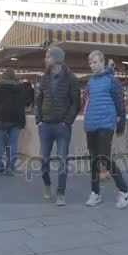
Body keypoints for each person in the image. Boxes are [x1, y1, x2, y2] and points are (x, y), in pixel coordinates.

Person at [84, 51, 128, 209]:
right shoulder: (90, 82)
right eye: (91, 63)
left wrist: (121, 124)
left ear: (103, 62)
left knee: (104, 158)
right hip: (91, 124)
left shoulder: (112, 81)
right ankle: (95, 193)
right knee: (94, 159)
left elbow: (120, 105)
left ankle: (125, 190)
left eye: (96, 62)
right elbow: (89, 102)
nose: (93, 65)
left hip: (106, 123)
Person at [35, 47, 80, 206]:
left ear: (57, 59)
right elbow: (39, 100)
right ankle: (47, 184)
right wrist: (38, 120)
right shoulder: (44, 78)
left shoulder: (71, 78)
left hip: (62, 126)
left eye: (48, 57)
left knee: (62, 160)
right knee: (43, 160)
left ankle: (61, 192)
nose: (45, 59)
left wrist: (67, 122)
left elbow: (76, 103)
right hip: (45, 125)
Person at [0, 68, 26, 176]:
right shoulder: (21, 88)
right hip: (17, 118)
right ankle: (10, 168)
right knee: (13, 143)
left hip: (2, 117)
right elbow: (25, 102)